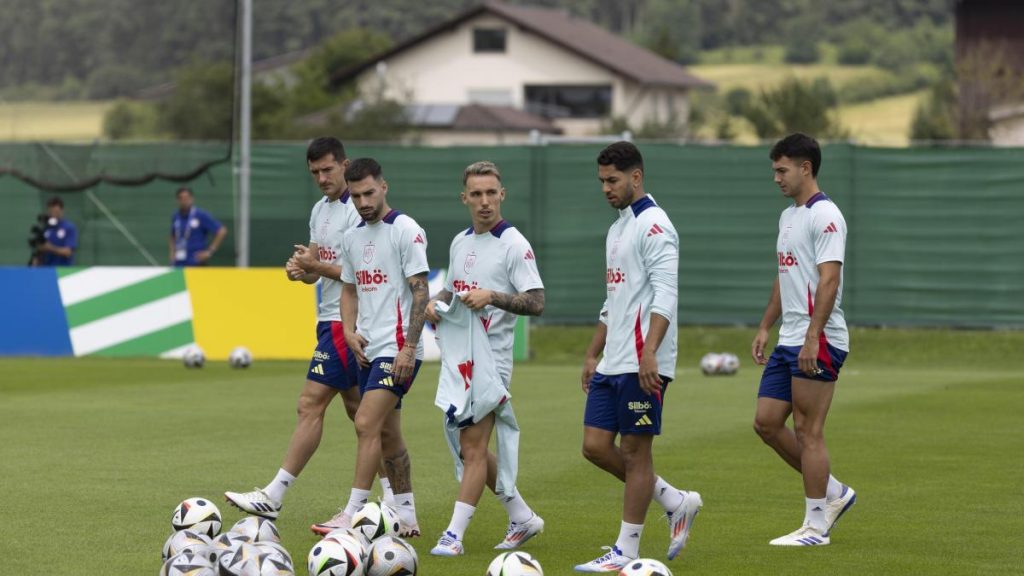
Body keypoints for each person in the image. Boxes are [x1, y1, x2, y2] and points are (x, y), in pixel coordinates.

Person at [224, 137, 393, 522]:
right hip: (329, 319)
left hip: (348, 322)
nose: (321, 178)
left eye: (328, 169)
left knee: (310, 403)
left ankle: (274, 494)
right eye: (314, 172)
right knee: (359, 413)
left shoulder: (358, 210)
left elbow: (358, 274)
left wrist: (315, 268)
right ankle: (395, 501)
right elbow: (317, 266)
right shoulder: (320, 211)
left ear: (344, 165)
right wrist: (300, 269)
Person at [575, 141, 702, 572]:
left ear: (636, 177)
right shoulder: (617, 229)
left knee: (634, 452)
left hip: (644, 363)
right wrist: (593, 352)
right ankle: (674, 500)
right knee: (594, 446)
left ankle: (625, 551)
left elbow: (667, 293)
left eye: (612, 181)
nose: (606, 189)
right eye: (601, 182)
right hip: (613, 362)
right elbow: (614, 300)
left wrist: (650, 352)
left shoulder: (655, 225)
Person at [424, 161, 546, 556]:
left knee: (474, 446)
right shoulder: (460, 242)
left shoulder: (514, 244)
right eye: (476, 194)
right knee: (467, 445)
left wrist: (493, 295)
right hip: (460, 360)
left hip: (492, 361)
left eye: (491, 193)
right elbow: (455, 292)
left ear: (502, 195)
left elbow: (537, 302)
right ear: (465, 199)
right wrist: (435, 302)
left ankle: (453, 536)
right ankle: (522, 516)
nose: (484, 201)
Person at [751, 133, 856, 546]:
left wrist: (814, 336)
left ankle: (816, 526)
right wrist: (765, 325)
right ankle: (833, 492)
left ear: (805, 168)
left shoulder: (825, 215)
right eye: (774, 170)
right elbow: (785, 276)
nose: (776, 178)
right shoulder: (788, 217)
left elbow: (830, 279)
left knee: (808, 431)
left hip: (820, 338)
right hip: (790, 338)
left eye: (782, 170)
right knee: (766, 423)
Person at [328, 157, 429, 538]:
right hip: (367, 349)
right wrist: (350, 332)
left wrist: (409, 347)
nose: (363, 201)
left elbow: (421, 290)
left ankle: (352, 512)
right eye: (356, 196)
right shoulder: (352, 236)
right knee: (388, 434)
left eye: (369, 192)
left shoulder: (406, 230)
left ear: (383, 187)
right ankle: (407, 516)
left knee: (365, 422)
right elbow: (350, 288)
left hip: (398, 350)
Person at [169, 186, 227, 266]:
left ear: (192, 199)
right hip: (179, 263)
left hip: (196, 263)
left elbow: (222, 231)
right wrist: (172, 254)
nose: (184, 201)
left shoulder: (200, 215)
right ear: (177, 200)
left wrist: (209, 252)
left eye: (187, 198)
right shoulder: (176, 216)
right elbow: (173, 235)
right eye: (181, 198)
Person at [33, 197, 77, 266]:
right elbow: (39, 252)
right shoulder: (45, 228)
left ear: (62, 211)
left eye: (56, 212)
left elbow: (68, 252)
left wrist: (50, 248)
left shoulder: (69, 227)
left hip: (63, 270)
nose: (53, 215)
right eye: (51, 212)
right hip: (46, 269)